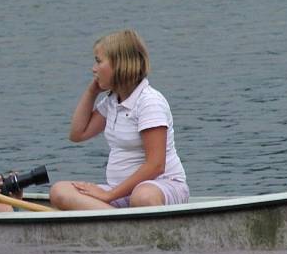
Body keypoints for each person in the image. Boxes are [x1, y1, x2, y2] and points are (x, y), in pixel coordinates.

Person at [49, 29, 189, 210]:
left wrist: (109, 195)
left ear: (120, 64)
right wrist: (92, 91)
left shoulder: (149, 102)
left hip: (162, 187)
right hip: (121, 192)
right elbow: (78, 134)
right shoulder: (113, 101)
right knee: (59, 191)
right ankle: (122, 223)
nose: (93, 68)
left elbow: (156, 165)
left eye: (99, 61)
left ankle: (122, 220)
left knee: (142, 197)